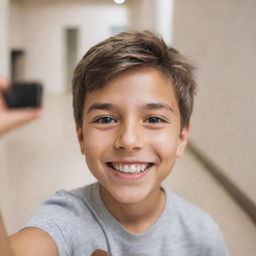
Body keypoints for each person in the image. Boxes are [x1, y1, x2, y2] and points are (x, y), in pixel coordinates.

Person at [0, 31, 229, 256]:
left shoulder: (202, 234)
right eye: (106, 119)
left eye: (153, 119)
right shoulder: (65, 219)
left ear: (181, 137)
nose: (128, 140)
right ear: (81, 137)